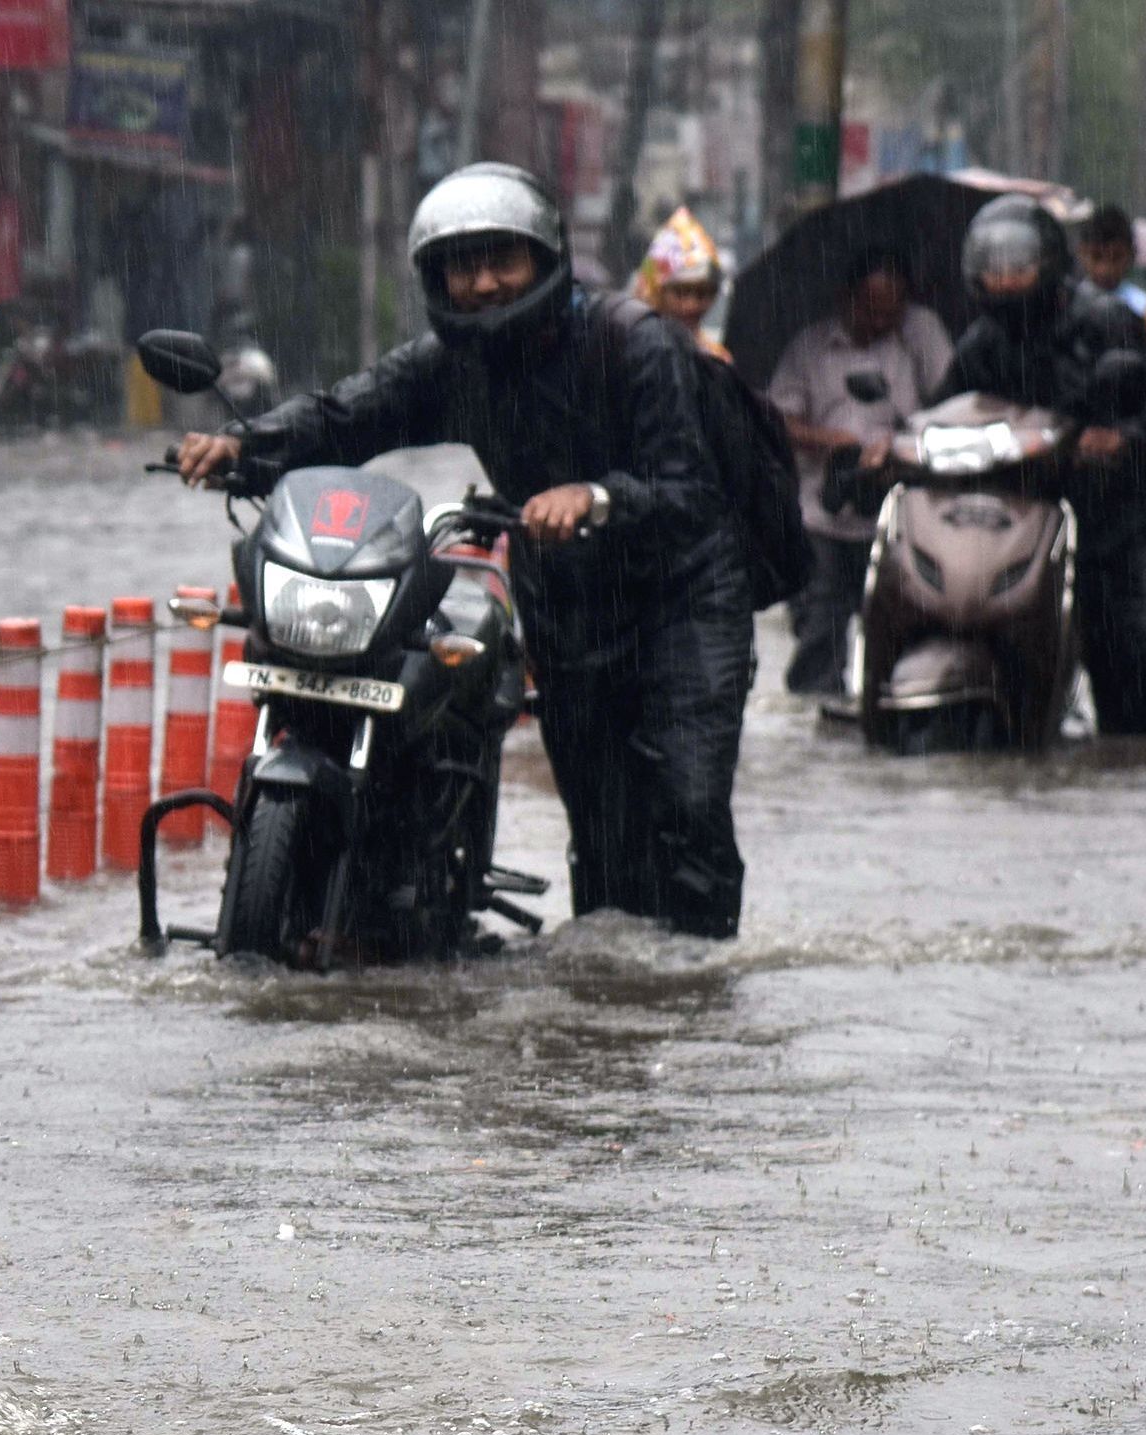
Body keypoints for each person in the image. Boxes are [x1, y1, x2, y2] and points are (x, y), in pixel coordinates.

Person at [173, 163, 751, 939]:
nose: (481, 285)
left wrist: (597, 497)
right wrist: (241, 446)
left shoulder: (633, 343)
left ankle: (700, 985)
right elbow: (350, 413)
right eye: (462, 265)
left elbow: (692, 491)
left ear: (545, 261)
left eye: (500, 261)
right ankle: (616, 991)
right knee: (602, 826)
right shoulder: (453, 364)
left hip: (683, 599)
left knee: (686, 803)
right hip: (569, 602)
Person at [933, 195, 1146, 737]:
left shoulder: (1104, 322)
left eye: (1019, 264)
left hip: (1127, 526)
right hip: (1030, 528)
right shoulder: (979, 347)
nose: (1006, 279)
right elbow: (938, 419)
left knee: (1136, 676)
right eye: (994, 266)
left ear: (1050, 261)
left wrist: (1124, 437)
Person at [764, 244, 953, 699]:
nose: (879, 322)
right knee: (820, 631)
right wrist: (836, 442)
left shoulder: (915, 343)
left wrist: (895, 445)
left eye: (892, 311)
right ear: (847, 297)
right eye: (870, 309)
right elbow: (776, 421)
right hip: (822, 516)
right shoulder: (809, 349)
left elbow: (949, 410)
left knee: (902, 624)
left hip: (897, 515)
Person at [633, 208, 729, 361]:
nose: (692, 305)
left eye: (702, 294)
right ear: (657, 292)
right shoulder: (633, 353)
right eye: (681, 292)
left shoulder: (717, 360)